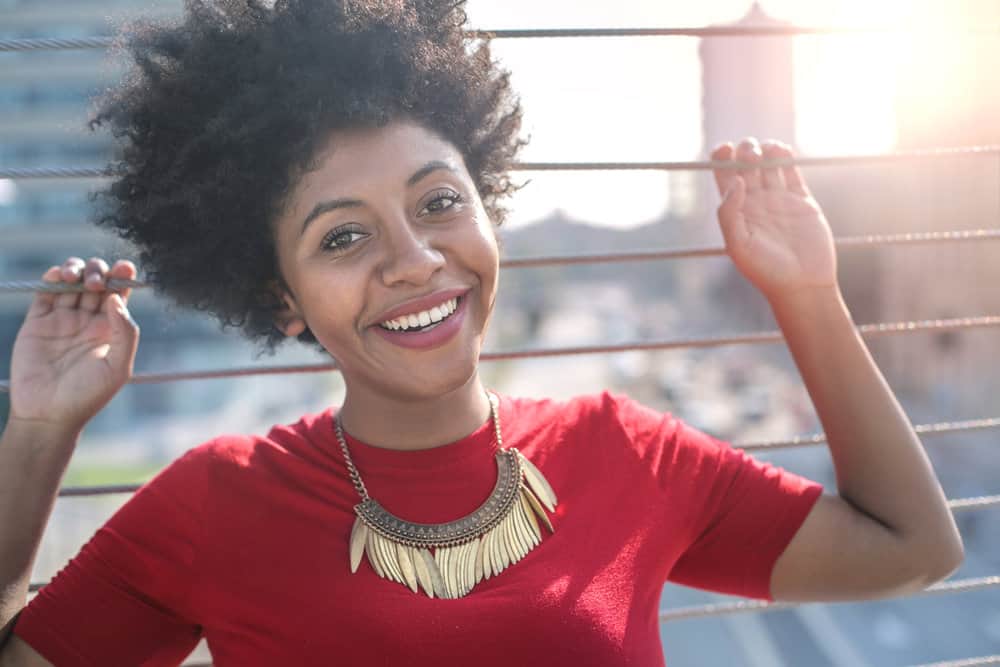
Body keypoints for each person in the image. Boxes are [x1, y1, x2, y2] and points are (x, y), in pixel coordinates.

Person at [0, 1, 964, 665]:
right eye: (343, 235)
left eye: (440, 202)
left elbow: (912, 546)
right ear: (280, 296)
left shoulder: (622, 448)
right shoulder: (215, 500)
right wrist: (39, 435)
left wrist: (808, 293)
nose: (416, 259)